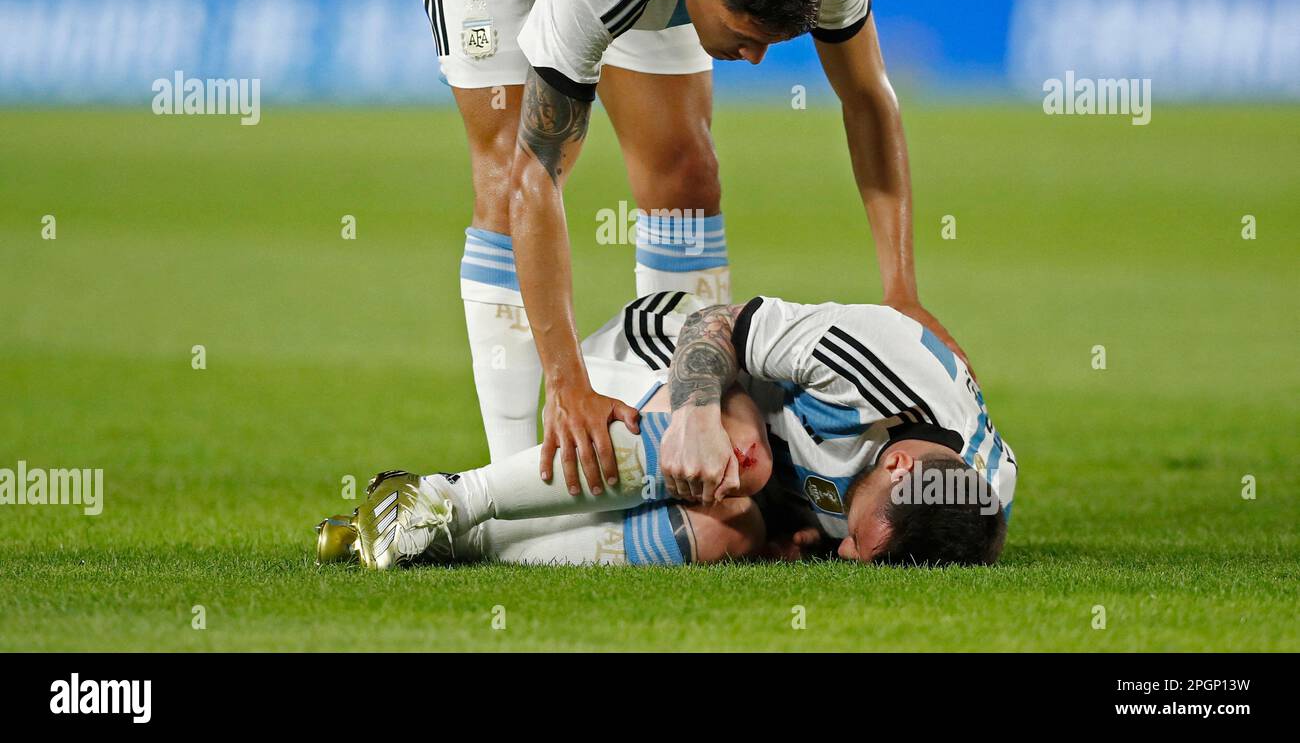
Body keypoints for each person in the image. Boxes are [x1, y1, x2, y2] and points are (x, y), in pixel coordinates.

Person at [409, 0, 967, 493]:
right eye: (744, 34)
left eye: (773, 41)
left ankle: (684, 423)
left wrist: (900, 292)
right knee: (503, 179)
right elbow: (537, 177)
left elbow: (868, 100)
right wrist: (568, 381)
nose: (756, 59)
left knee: (687, 172)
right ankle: (511, 475)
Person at [316, 292, 1013, 568]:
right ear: (898, 467)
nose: (844, 557)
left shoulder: (974, 507)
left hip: (729, 462)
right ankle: (445, 498)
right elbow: (710, 322)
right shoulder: (865, 359)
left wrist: (792, 527)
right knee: (743, 456)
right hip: (653, 358)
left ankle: (443, 546)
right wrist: (699, 413)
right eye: (855, 540)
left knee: (729, 529)